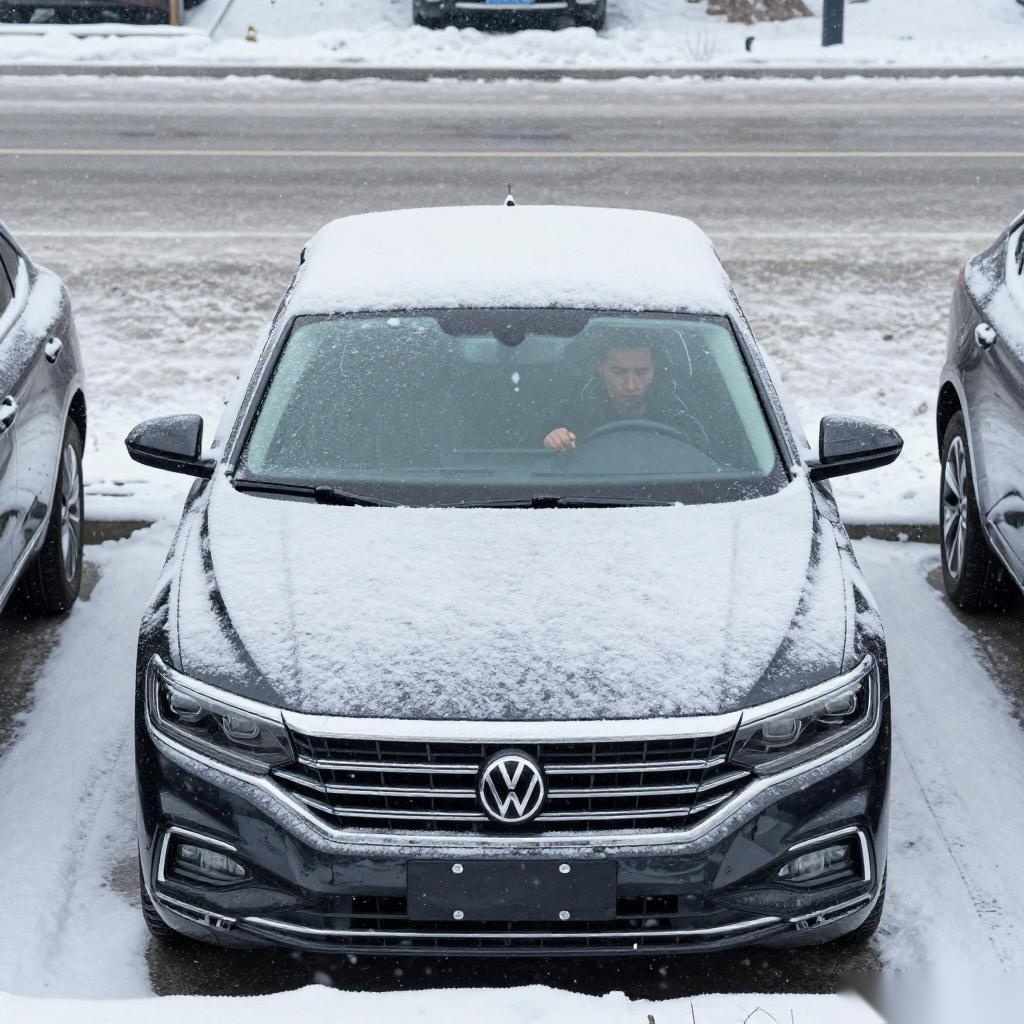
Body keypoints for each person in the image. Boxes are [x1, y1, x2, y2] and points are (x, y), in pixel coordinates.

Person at [543, 340, 709, 452]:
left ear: (655, 370)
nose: (631, 385)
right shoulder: (576, 406)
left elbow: (704, 456)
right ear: (600, 368)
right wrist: (554, 439)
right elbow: (533, 456)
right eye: (619, 372)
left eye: (642, 372)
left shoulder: (680, 409)